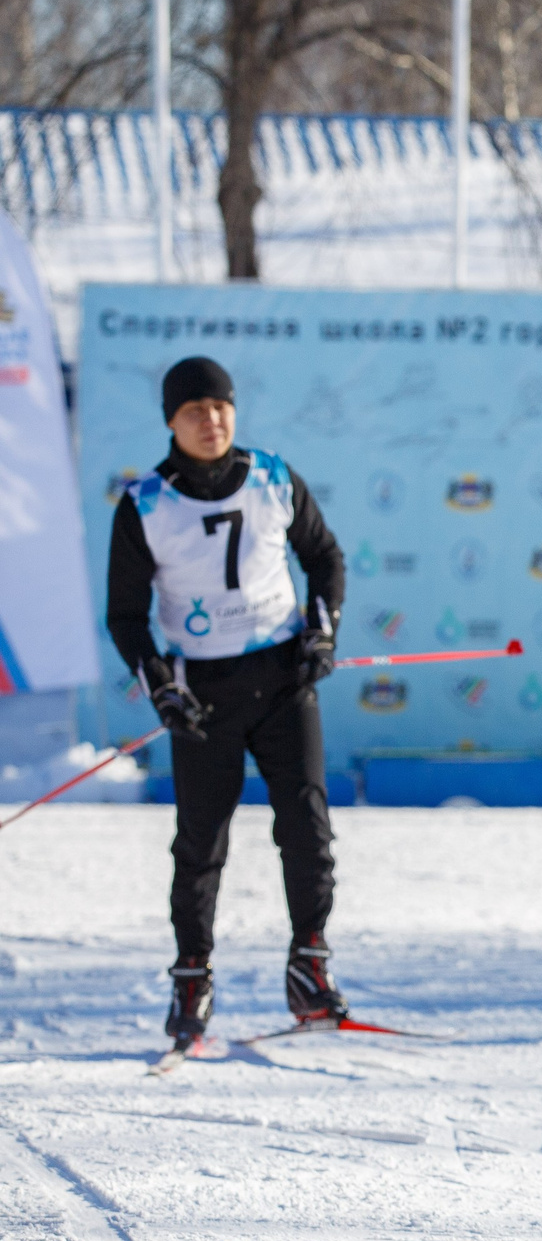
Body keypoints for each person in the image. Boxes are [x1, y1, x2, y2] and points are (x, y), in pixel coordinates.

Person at [104, 356, 349, 1050]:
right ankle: (193, 977)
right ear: (171, 422)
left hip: (280, 680)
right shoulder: (146, 503)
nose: (210, 420)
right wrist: (160, 684)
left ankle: (309, 964)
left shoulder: (272, 477)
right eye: (193, 410)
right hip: (203, 695)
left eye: (220, 406)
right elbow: (126, 615)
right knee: (200, 844)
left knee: (307, 828)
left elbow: (325, 557)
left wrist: (321, 630)